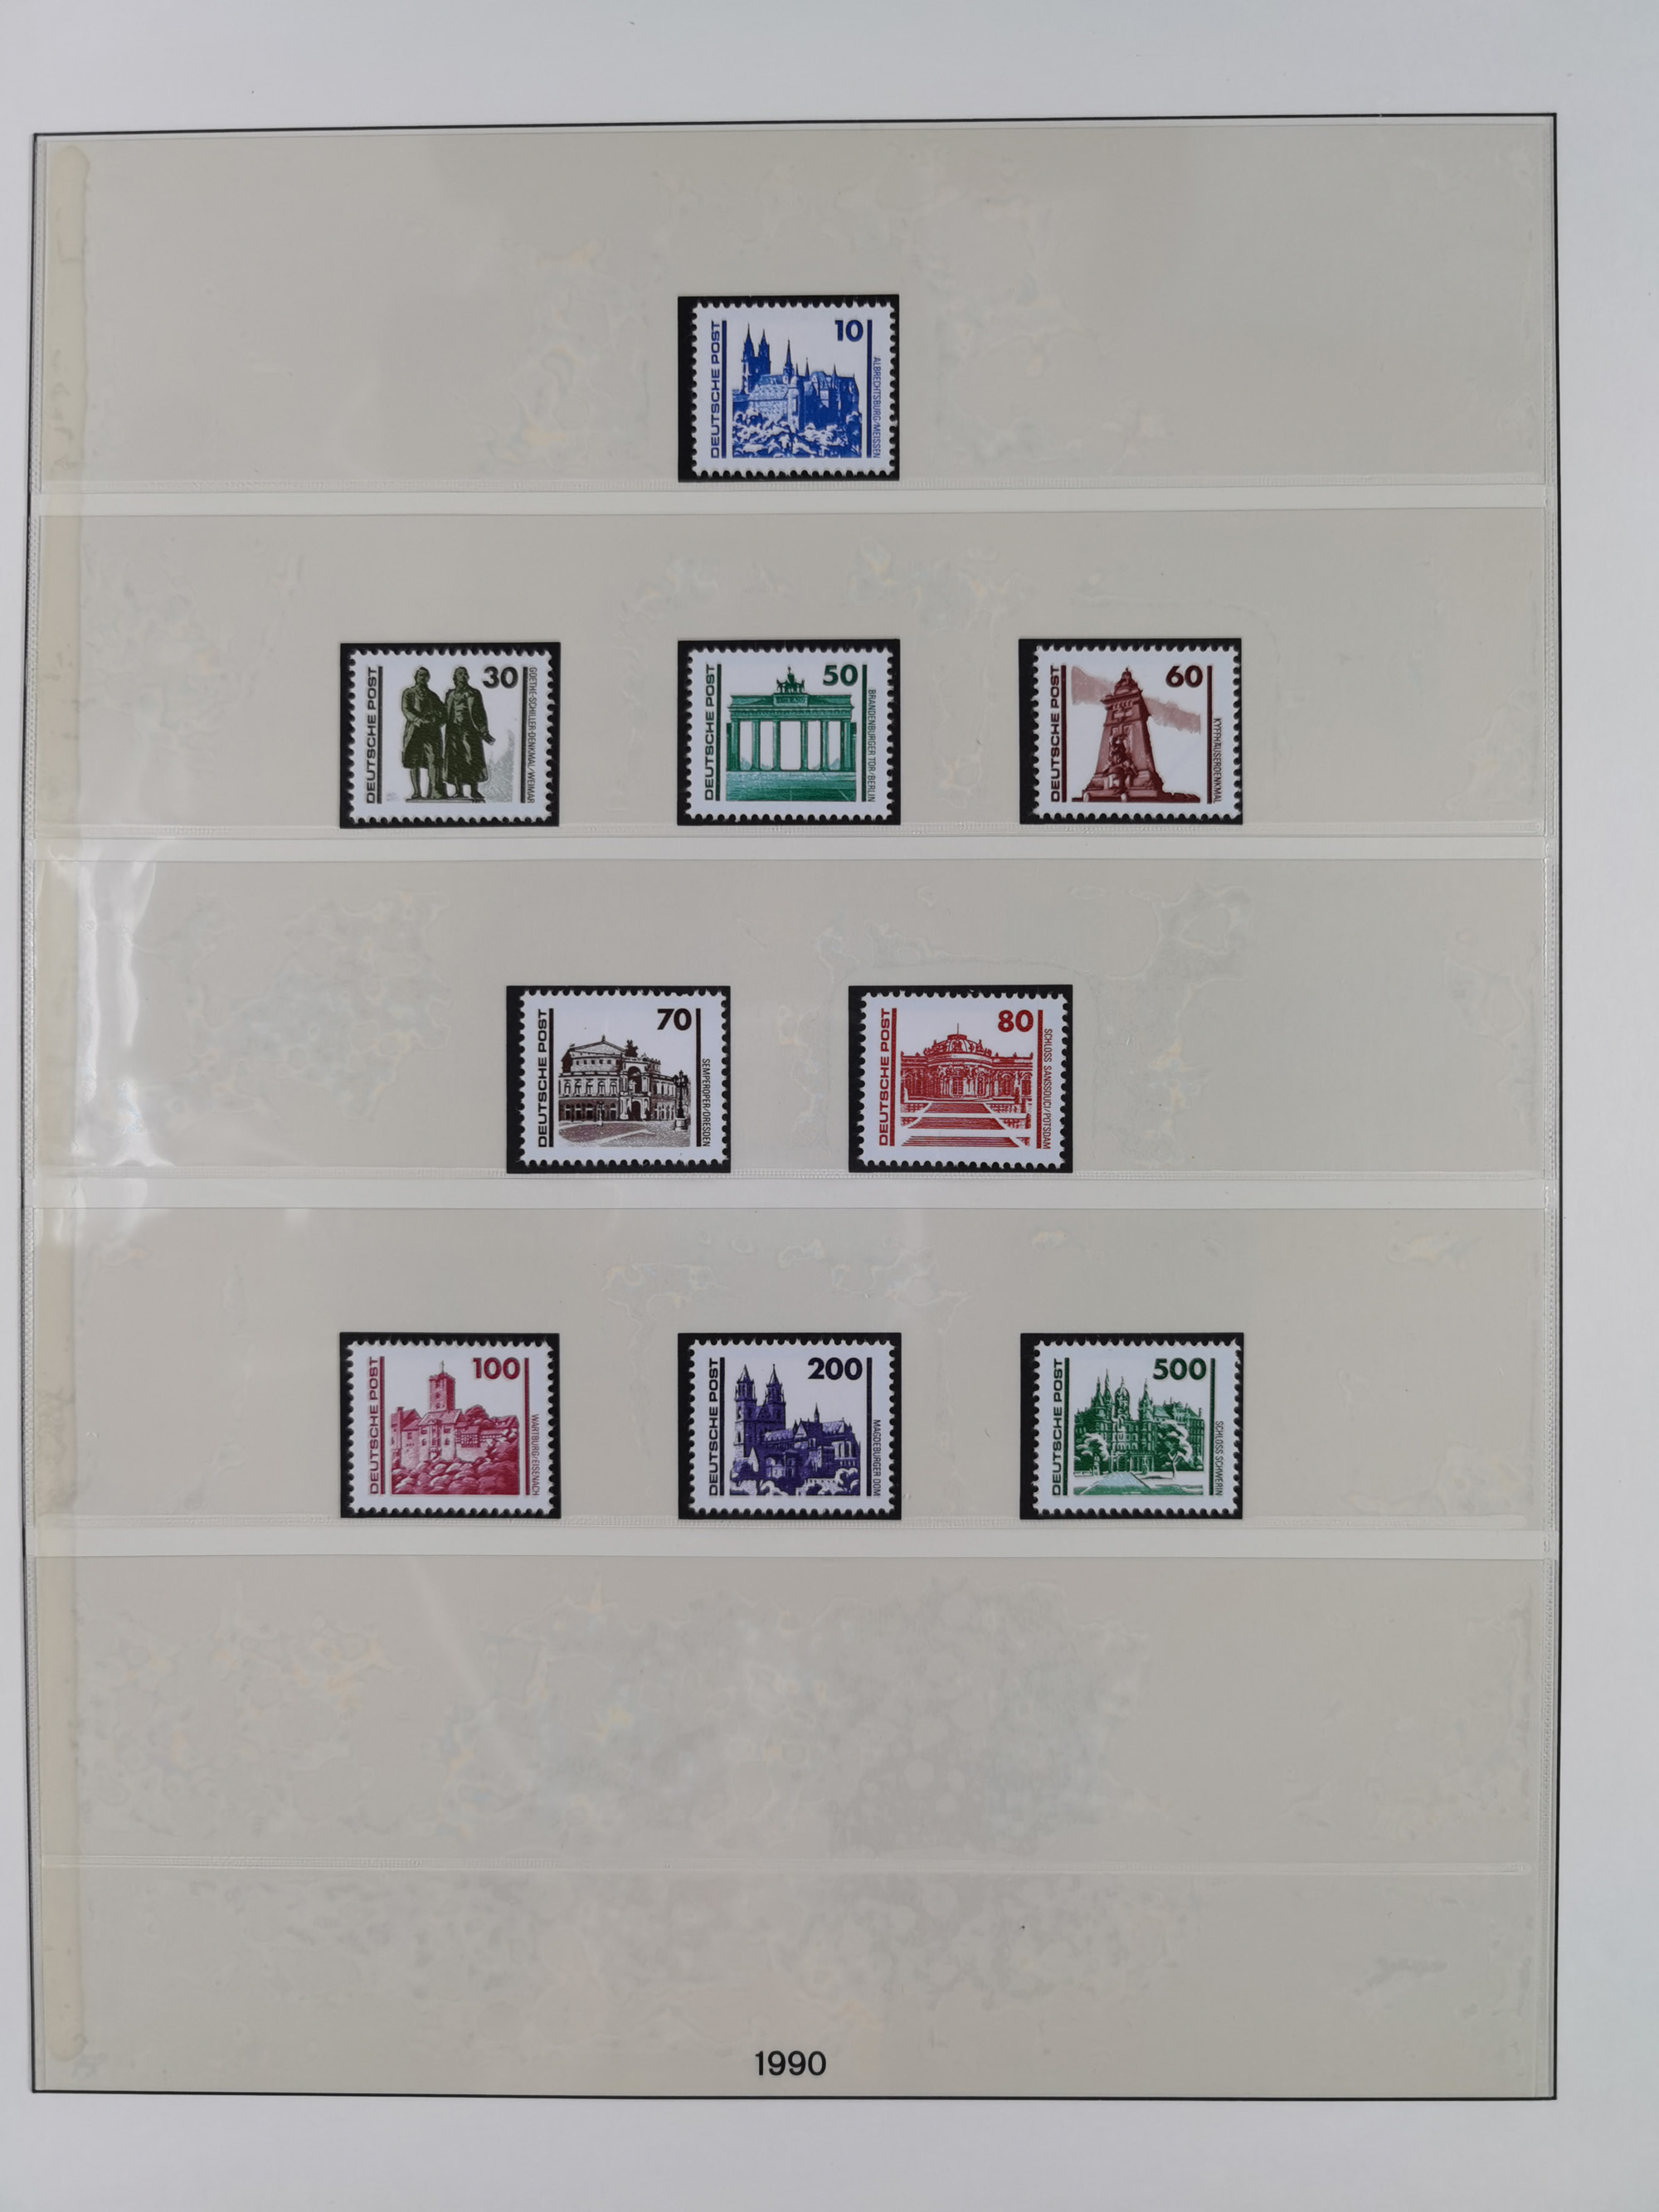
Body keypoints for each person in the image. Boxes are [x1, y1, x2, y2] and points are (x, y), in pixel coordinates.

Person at [442, 664, 494, 800]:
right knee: (455, 760)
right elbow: (445, 713)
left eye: (465, 674)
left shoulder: (474, 693)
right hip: (453, 732)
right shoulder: (450, 694)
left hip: (470, 732)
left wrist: (484, 731)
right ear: (455, 678)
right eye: (461, 674)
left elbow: (481, 714)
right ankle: (458, 791)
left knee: (471, 760)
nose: (464, 676)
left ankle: (474, 791)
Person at [400, 664, 445, 799]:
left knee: (433, 760)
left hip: (431, 732)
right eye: (421, 675)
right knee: (414, 762)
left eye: (425, 676)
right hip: (415, 732)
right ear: (416, 677)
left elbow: (443, 712)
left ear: (428, 678)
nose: (423, 678)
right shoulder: (409, 693)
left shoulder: (433, 695)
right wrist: (419, 721)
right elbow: (406, 710)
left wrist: (436, 720)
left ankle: (434, 791)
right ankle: (417, 792)